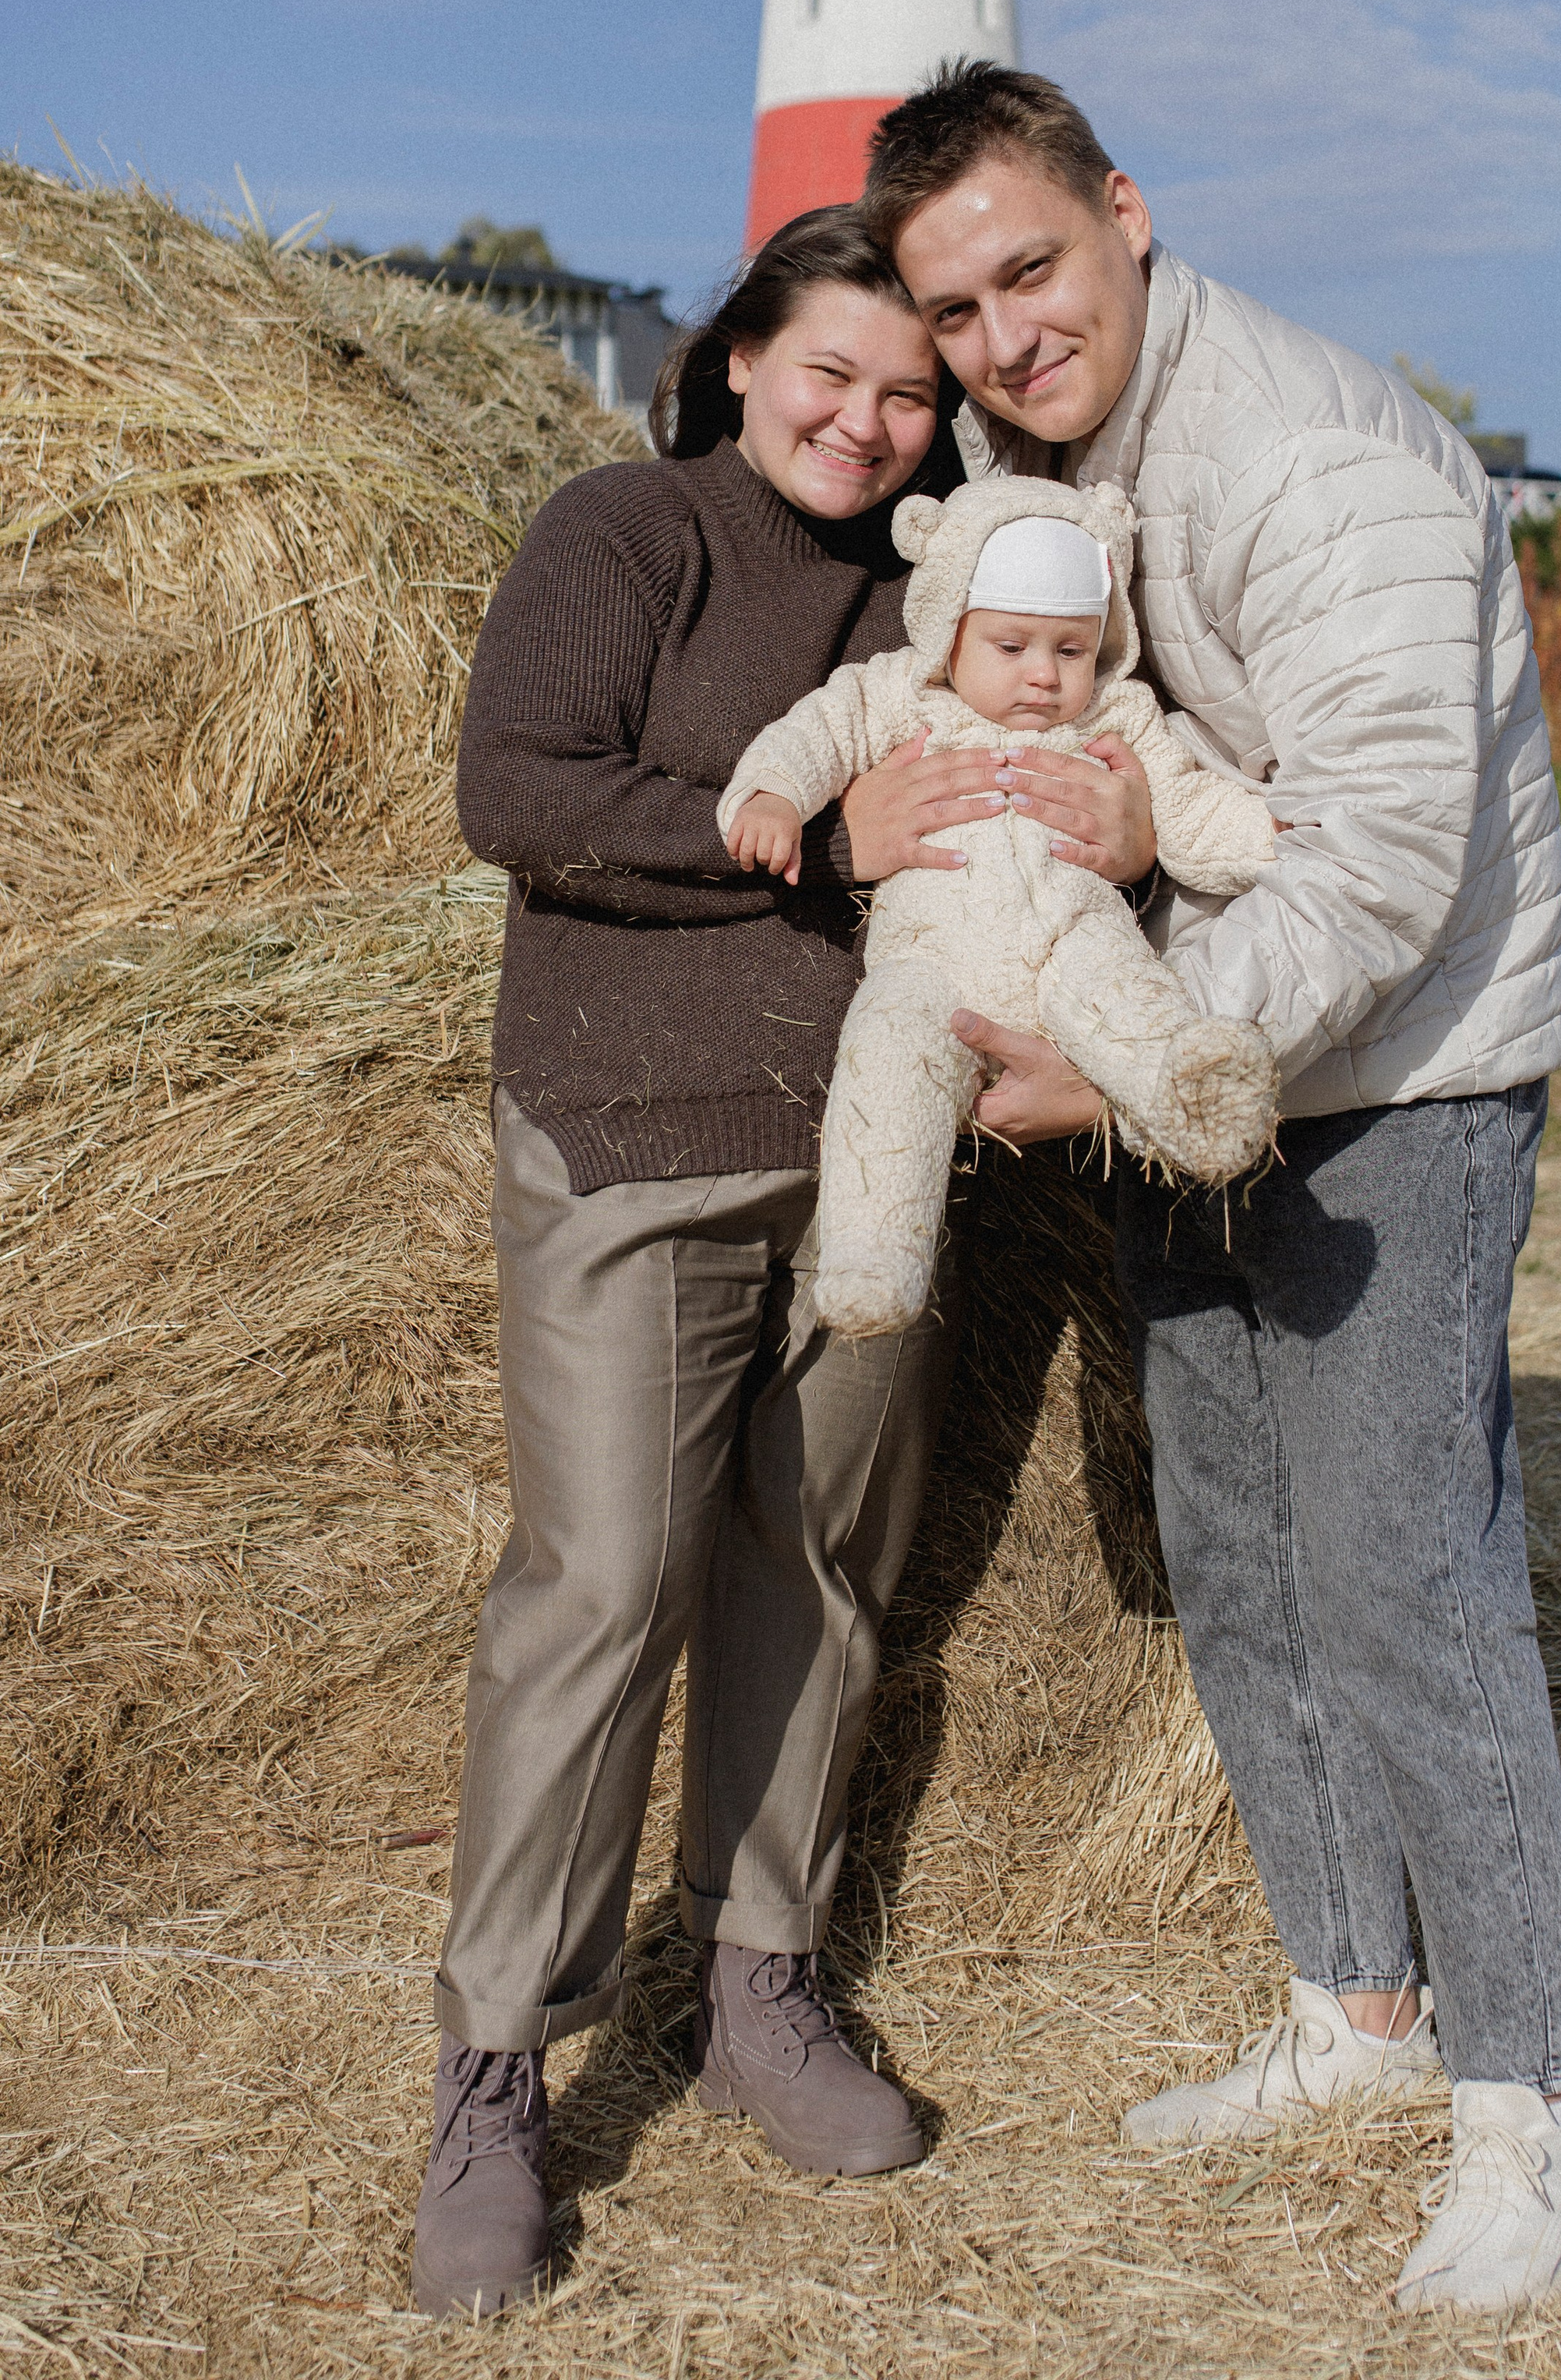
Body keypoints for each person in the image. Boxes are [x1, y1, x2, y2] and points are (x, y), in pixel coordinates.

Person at [860, 64, 1561, 2319]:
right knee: (1239, 1548)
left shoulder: (1307, 456)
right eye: (957, 307)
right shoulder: (1026, 474)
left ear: (1124, 211)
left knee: (1404, 1570)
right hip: (1189, 1069)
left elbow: (1386, 864)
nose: (1005, 334)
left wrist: (1125, 1057)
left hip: (1396, 1072)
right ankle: (1357, 2014)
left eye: (1031, 268)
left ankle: (1528, 2114)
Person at [412, 204, 1158, 2320]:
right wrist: (824, 844)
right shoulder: (626, 529)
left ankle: (760, 1990)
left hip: (872, 1166)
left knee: (817, 1571)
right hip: (633, 1148)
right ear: (741, 355)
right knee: (605, 1587)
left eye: (909, 389)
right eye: (829, 370)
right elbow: (518, 792)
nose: (866, 416)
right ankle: (494, 2076)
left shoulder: (949, 594)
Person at [718, 476, 1280, 1334]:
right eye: (1011, 646)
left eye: (1070, 649)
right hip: (931, 963)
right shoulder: (903, 696)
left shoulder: (1115, 717)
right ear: (952, 629)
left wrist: (1279, 837)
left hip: (1074, 943)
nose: (1043, 677)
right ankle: (874, 1259)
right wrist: (769, 796)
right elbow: (814, 734)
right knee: (887, 1052)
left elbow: (1184, 806)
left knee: (1131, 998)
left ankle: (1194, 1103)